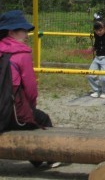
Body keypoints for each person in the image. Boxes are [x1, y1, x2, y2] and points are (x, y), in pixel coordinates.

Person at [0, 10, 61, 168]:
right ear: (11, 32)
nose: (27, 34)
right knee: (41, 118)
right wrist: (30, 107)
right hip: (11, 113)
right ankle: (49, 156)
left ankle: (37, 159)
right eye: (24, 30)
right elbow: (31, 88)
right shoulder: (21, 53)